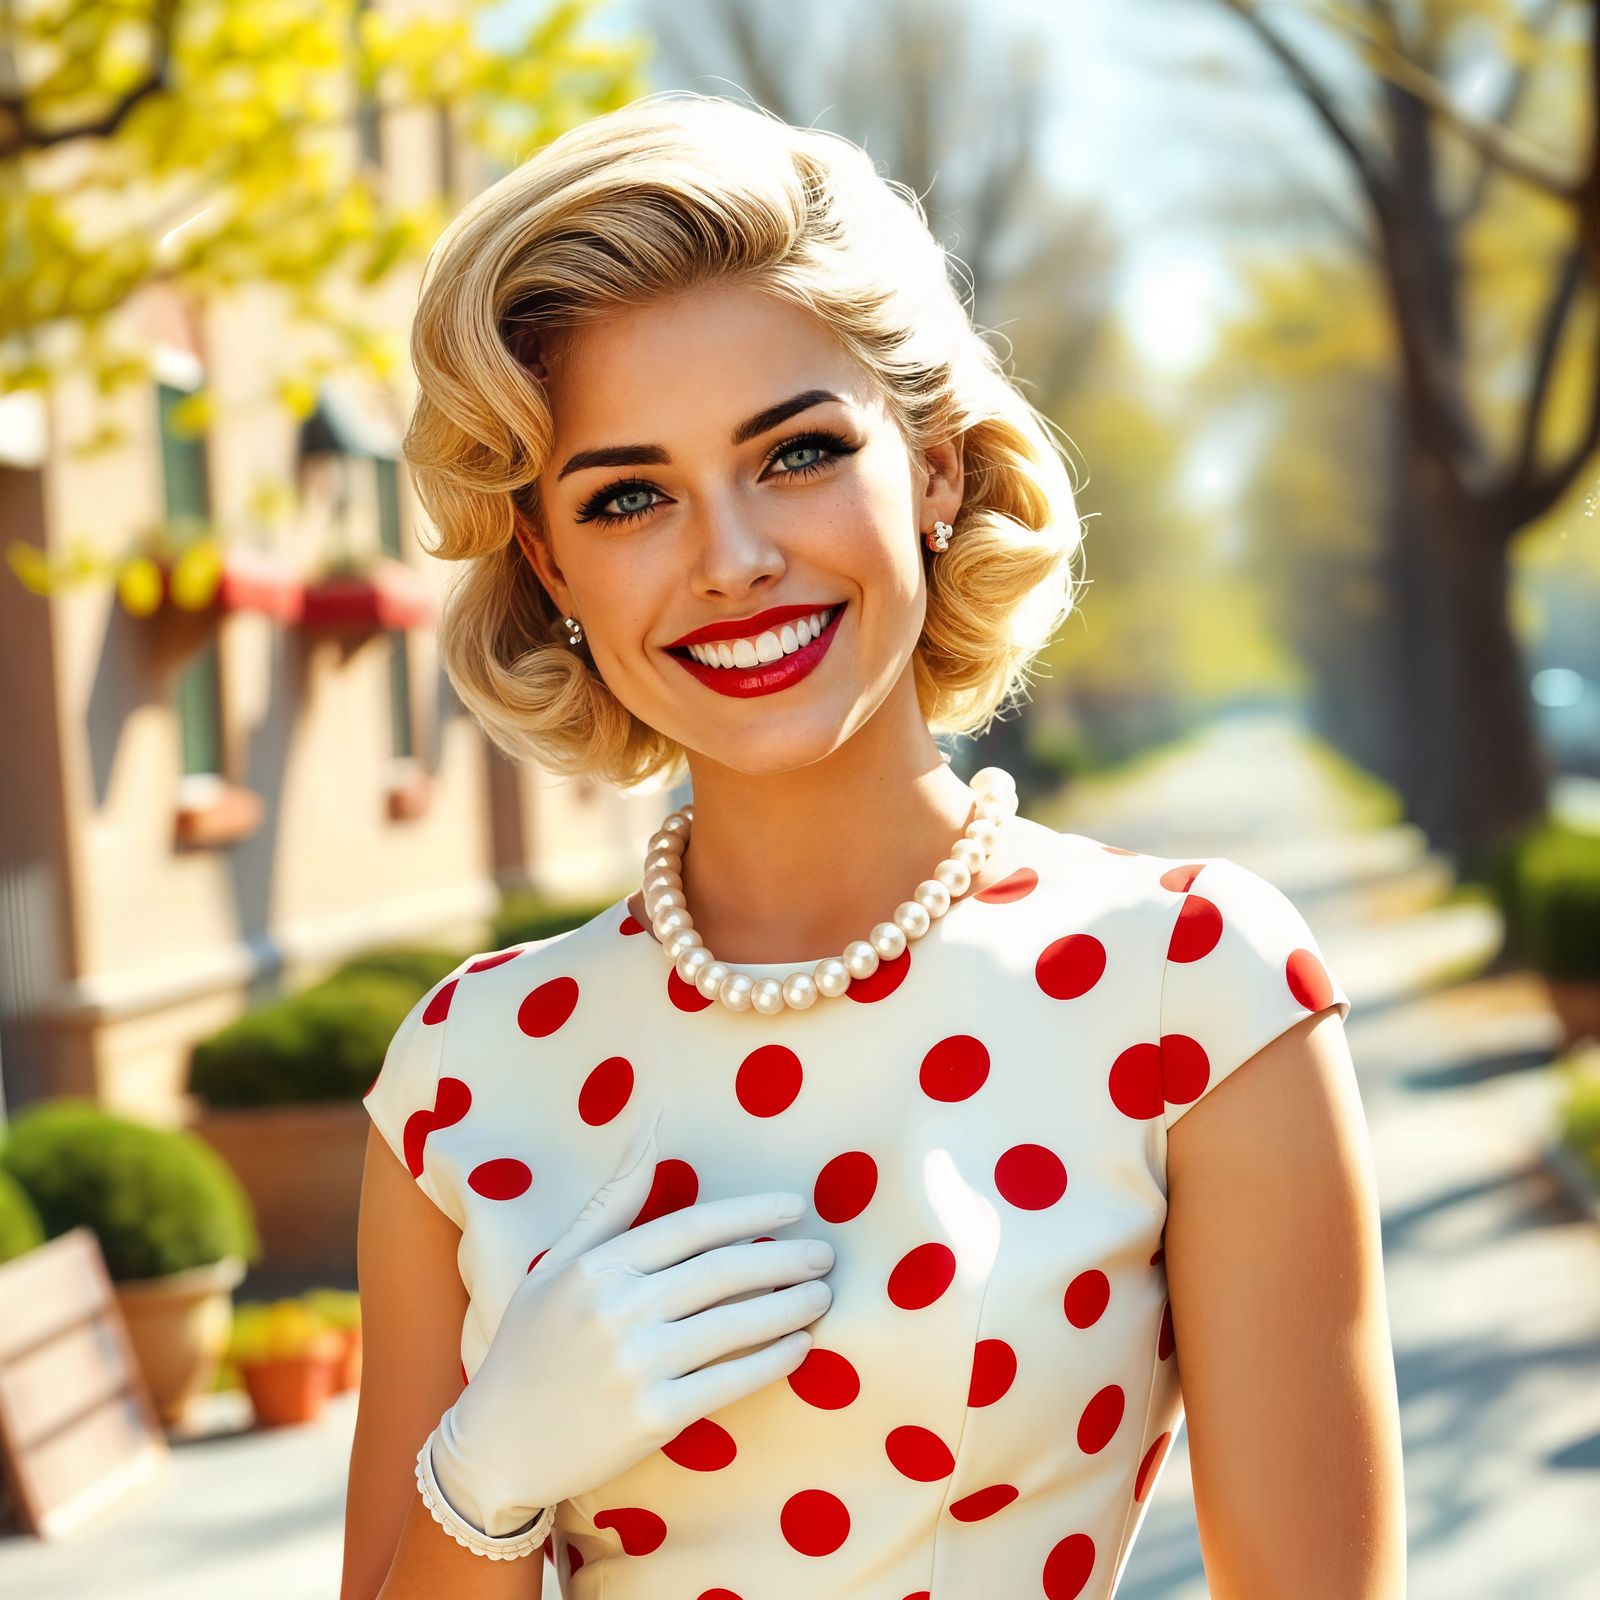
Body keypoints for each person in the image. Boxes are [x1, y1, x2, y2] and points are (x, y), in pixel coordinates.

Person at [343, 90, 1406, 1600]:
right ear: (549, 561)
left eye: (794, 453)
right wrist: (488, 1476)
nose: (733, 559)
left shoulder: (1186, 987)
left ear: (933, 467)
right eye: (630, 494)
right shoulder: (463, 1072)